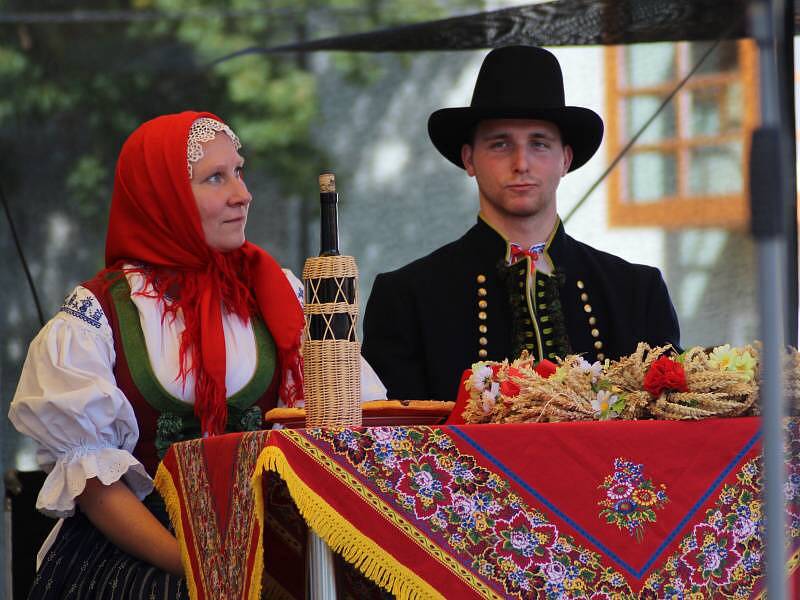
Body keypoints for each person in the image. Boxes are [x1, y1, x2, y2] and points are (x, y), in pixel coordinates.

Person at [8, 111, 306, 598]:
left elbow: (339, 428)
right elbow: (96, 485)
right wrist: (198, 570)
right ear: (161, 197)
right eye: (215, 178)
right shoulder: (99, 314)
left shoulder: (279, 295)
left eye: (239, 171)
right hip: (145, 551)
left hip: (270, 544)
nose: (242, 194)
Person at [362, 45, 681, 401]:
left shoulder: (636, 292)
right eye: (500, 144)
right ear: (469, 159)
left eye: (539, 144)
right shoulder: (407, 299)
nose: (521, 163)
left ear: (565, 159)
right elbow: (391, 443)